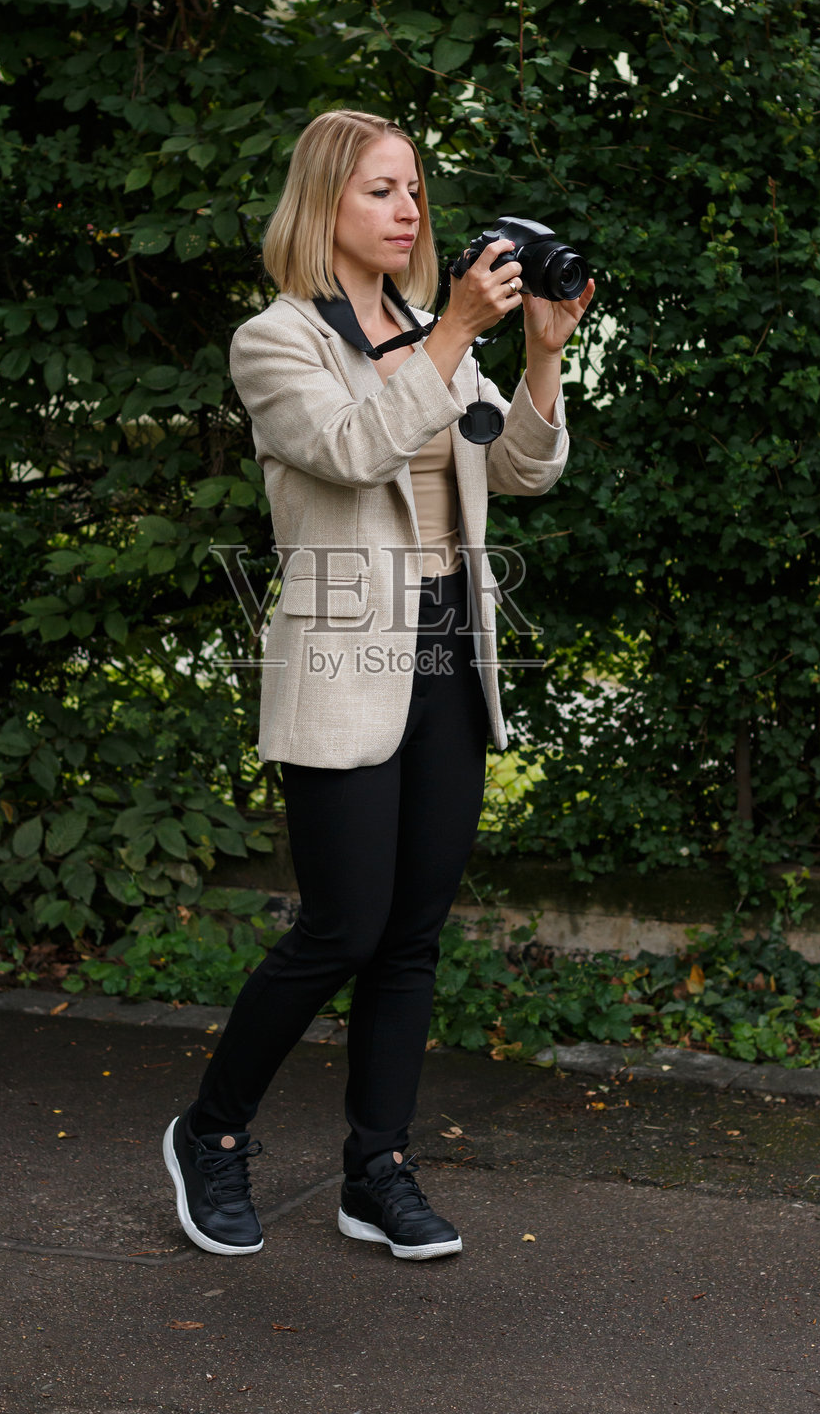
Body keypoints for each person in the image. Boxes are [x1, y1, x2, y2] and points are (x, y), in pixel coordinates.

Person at [164, 109, 594, 1261]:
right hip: (344, 649)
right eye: (379, 191)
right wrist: (451, 334)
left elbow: (520, 470)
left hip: (450, 645)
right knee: (340, 925)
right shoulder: (276, 341)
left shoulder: (426, 328)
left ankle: (377, 1168)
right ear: (324, 204)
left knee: (410, 932)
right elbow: (351, 449)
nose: (408, 213)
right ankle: (209, 1136)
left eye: (413, 191)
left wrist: (542, 351)